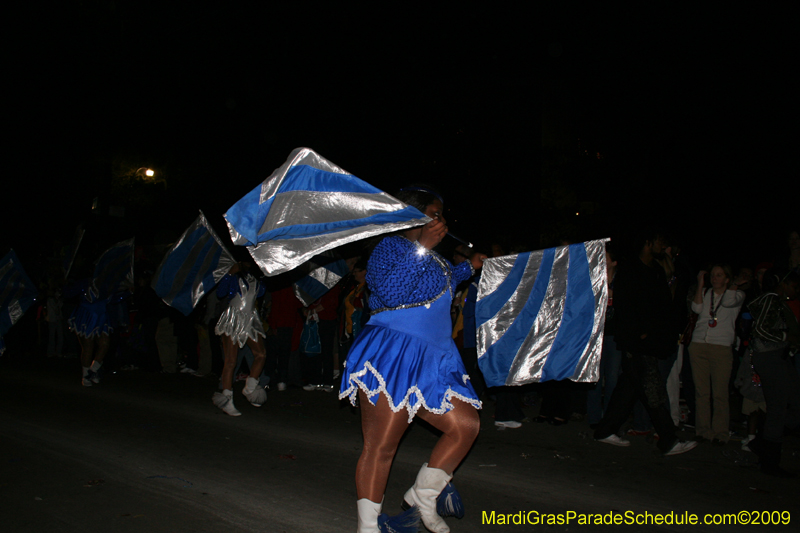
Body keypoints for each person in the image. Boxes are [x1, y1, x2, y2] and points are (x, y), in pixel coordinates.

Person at [339, 187, 485, 533]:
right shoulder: (389, 247)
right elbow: (390, 291)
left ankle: (423, 494)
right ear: (414, 216)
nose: (441, 220)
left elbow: (441, 282)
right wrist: (424, 247)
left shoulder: (433, 257)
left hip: (433, 358)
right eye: (434, 213)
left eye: (441, 214)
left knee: (466, 426)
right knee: (382, 446)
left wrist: (470, 268)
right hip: (395, 353)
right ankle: (368, 527)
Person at [592, 231, 697, 456]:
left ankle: (605, 430)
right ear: (648, 243)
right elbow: (625, 306)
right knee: (652, 388)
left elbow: (661, 307)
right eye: (660, 241)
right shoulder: (630, 270)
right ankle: (668, 439)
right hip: (635, 342)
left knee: (628, 388)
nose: (663, 246)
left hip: (650, 341)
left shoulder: (656, 271)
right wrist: (639, 333)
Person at [747, 270, 800, 477]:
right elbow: (760, 329)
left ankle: (762, 443)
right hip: (769, 356)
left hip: (779, 356)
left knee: (794, 403)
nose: (796, 292)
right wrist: (787, 335)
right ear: (784, 284)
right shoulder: (771, 299)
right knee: (778, 407)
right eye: (794, 287)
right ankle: (769, 461)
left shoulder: (779, 302)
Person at [688, 264, 744, 444]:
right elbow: (696, 308)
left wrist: (734, 285)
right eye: (712, 275)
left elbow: (728, 302)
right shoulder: (706, 293)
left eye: (719, 275)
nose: (715, 278)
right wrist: (700, 284)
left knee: (720, 393)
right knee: (701, 392)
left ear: (727, 278)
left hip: (720, 347)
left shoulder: (736, 294)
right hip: (699, 344)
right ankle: (703, 430)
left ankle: (720, 432)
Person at [211, 264, 268, 416]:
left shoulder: (256, 277)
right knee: (231, 360)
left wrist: (263, 275)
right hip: (233, 319)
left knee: (261, 354)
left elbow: (260, 293)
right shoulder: (234, 274)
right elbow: (221, 293)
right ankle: (227, 399)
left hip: (250, 319)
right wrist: (229, 273)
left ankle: (250, 387)